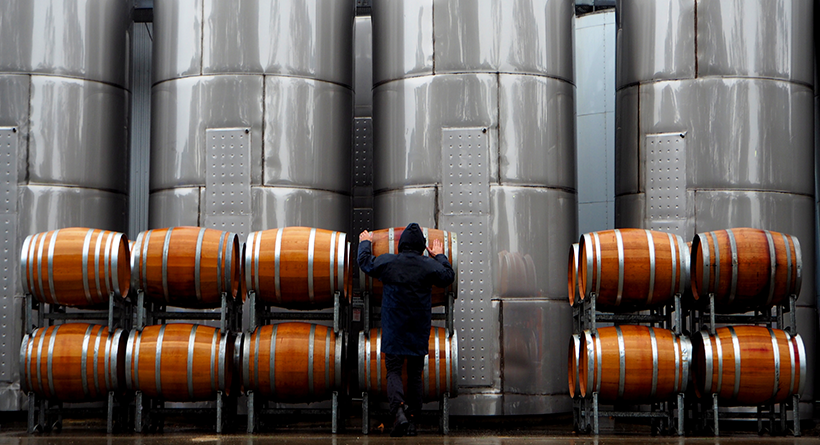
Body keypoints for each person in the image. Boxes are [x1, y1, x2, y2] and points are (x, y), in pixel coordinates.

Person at [358, 223, 455, 437]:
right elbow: (448, 276)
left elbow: (365, 263)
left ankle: (398, 412)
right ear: (422, 247)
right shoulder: (427, 266)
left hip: (394, 327)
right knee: (415, 375)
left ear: (401, 245)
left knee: (393, 371)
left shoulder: (389, 262)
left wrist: (365, 243)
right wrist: (438, 256)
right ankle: (412, 422)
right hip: (418, 328)